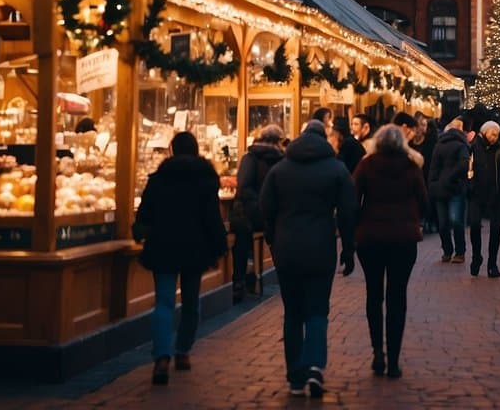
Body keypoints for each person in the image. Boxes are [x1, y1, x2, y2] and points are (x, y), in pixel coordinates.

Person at [260, 119, 356, 398]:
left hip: (287, 250)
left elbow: (265, 209)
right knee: (317, 309)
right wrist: (348, 249)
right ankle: (314, 366)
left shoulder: (280, 169)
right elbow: (349, 211)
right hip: (320, 248)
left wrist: (272, 240)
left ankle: (294, 376)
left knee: (293, 312)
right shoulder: (336, 169)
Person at [133, 131, 228, 385]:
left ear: (172, 150)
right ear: (196, 150)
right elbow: (212, 218)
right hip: (194, 249)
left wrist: (140, 233)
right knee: (191, 302)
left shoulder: (158, 179)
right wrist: (219, 248)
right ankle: (183, 351)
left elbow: (144, 215)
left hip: (163, 246)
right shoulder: (206, 180)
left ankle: (161, 357)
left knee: (163, 302)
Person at [353, 124, 426, 379]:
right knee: (397, 296)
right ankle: (393, 359)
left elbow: (354, 199)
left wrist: (355, 228)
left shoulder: (367, 165)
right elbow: (424, 201)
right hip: (403, 238)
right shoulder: (411, 167)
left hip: (370, 237)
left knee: (374, 294)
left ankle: (377, 353)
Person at [230, 124, 285, 302]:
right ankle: (280, 278)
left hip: (249, 214)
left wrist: (256, 205)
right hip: (272, 215)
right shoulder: (281, 160)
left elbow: (244, 186)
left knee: (241, 242)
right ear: (278, 141)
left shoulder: (250, 158)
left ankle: (239, 281)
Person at [468, 120, 500, 278]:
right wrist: (470, 185)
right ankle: (476, 257)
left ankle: (492, 264)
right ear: (484, 132)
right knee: (474, 225)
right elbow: (469, 168)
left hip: (495, 195)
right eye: (493, 133)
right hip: (477, 194)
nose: (495, 137)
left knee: (495, 229)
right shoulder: (473, 147)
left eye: (497, 134)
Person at [428, 116, 470, 263]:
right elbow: (464, 164)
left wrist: (433, 183)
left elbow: (433, 167)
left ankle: (447, 251)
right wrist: (451, 177)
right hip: (455, 187)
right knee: (456, 221)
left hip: (439, 188)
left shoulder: (439, 144)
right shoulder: (462, 145)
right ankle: (459, 252)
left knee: (443, 222)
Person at [408, 114, 438, 234]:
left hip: (427, 176)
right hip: (411, 177)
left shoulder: (431, 141)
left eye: (424, 125)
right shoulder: (408, 142)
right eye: (420, 124)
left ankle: (427, 221)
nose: (422, 128)